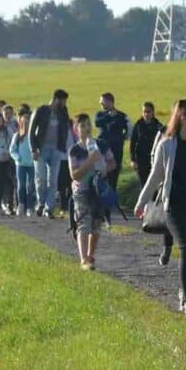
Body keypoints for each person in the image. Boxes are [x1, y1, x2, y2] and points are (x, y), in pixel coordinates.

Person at [134, 100, 186, 317]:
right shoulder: (167, 145)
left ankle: (185, 291)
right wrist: (141, 202)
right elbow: (155, 176)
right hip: (176, 207)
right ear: (183, 118)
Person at [68, 114, 116, 270]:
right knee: (83, 224)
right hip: (81, 191)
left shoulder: (101, 144)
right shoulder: (74, 150)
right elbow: (74, 175)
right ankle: (83, 260)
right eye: (82, 125)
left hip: (98, 191)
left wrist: (103, 169)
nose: (86, 128)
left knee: (96, 225)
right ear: (76, 129)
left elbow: (112, 163)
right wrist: (90, 161)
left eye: (88, 124)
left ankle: (90, 256)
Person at [130, 101, 173, 265]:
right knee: (167, 216)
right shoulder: (163, 131)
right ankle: (167, 248)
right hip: (164, 180)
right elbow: (154, 153)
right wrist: (160, 170)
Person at [30, 89, 71, 218]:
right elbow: (32, 130)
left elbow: (66, 128)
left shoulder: (63, 112)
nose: (64, 104)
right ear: (56, 99)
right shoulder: (41, 110)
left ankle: (49, 208)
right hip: (41, 150)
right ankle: (41, 203)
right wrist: (33, 149)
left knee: (53, 181)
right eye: (63, 101)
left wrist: (63, 146)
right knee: (41, 180)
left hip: (56, 150)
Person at [95, 92, 131, 191]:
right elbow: (97, 123)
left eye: (102, 101)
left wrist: (123, 138)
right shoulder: (100, 114)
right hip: (103, 149)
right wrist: (108, 116)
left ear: (110, 102)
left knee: (114, 175)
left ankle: (113, 196)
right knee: (103, 174)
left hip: (116, 149)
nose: (100, 103)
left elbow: (129, 128)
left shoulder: (122, 116)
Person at [130, 101, 164, 185]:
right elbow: (133, 142)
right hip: (141, 160)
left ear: (153, 112)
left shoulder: (158, 126)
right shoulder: (138, 125)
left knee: (154, 184)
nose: (146, 114)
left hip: (154, 160)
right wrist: (133, 160)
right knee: (143, 184)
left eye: (148, 112)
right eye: (144, 112)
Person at [10, 107, 36, 217]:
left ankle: (30, 207)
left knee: (31, 186)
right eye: (25, 123)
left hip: (32, 165)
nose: (27, 125)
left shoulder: (34, 136)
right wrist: (18, 158)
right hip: (20, 165)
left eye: (29, 123)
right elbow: (12, 150)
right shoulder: (17, 136)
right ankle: (21, 205)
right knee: (21, 185)